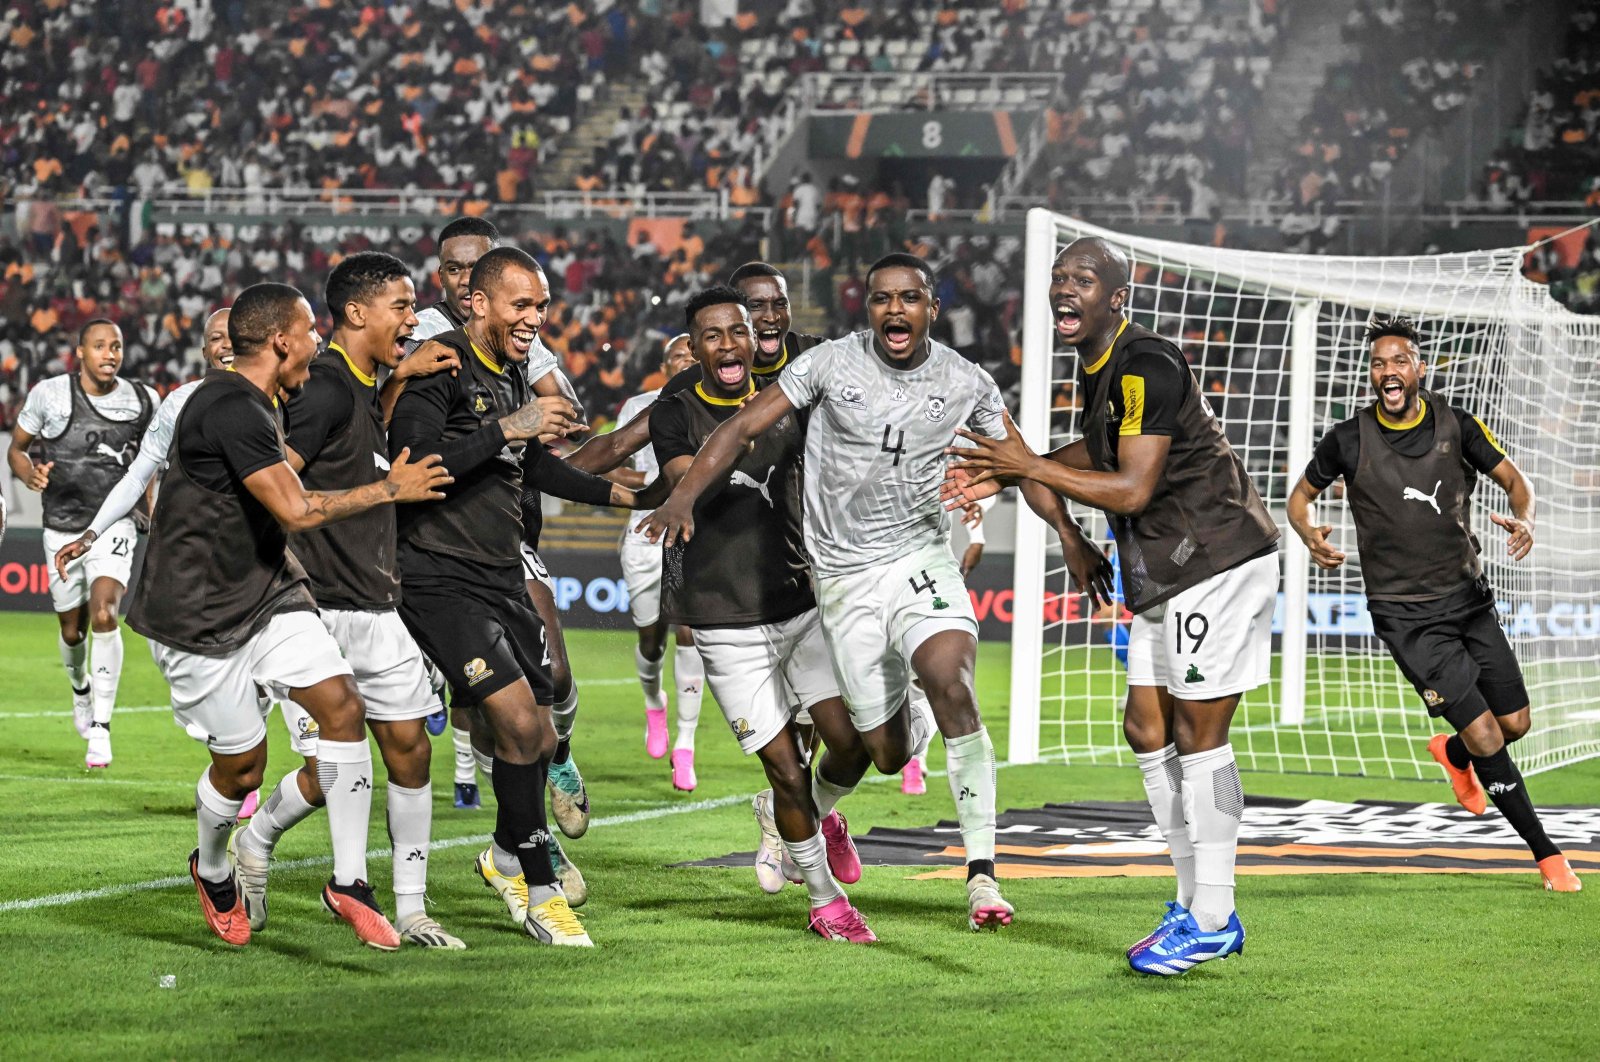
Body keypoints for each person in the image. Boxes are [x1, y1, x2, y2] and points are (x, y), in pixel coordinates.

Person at [644, 254, 1059, 932]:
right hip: (803, 592)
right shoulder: (797, 376)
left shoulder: (954, 378)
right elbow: (730, 431)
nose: (896, 310)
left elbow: (1020, 458)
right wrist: (677, 495)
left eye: (911, 298)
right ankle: (817, 852)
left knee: (936, 693)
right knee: (854, 757)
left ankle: (982, 875)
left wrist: (1067, 531)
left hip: (880, 571)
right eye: (881, 299)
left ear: (931, 303)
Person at [943, 237, 1280, 974]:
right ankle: (1194, 902)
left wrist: (1021, 466)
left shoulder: (1147, 364)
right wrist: (1045, 514)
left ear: (1117, 297)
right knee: (1144, 727)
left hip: (1218, 561)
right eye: (1061, 277)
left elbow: (1130, 489)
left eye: (1085, 278)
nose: (1067, 287)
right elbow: (1071, 461)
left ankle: (1216, 914)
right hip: (1165, 573)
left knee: (1199, 736)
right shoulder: (1100, 373)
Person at [125, 281, 451, 949]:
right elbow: (296, 509)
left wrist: (393, 378)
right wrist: (391, 487)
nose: (317, 344)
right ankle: (212, 866)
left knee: (341, 708)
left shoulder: (269, 399)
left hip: (269, 592)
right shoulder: (228, 406)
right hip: (196, 616)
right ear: (281, 340)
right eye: (309, 333)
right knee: (242, 767)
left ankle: (350, 883)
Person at [1287, 315, 1580, 893]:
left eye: (1398, 361)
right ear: (1371, 375)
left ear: (1420, 368)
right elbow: (1300, 498)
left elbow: (1519, 484)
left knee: (1515, 722)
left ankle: (1451, 752)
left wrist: (1525, 519)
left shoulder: (1457, 425)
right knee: (1489, 737)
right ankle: (1548, 856)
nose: (1387, 372)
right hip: (1406, 616)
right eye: (1378, 363)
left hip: (1468, 599)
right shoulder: (1348, 439)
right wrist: (1306, 532)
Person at [229, 253, 468, 949]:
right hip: (319, 609)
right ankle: (262, 843)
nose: (414, 318)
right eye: (401, 304)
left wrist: (396, 378)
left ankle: (414, 907)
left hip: (375, 602)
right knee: (330, 770)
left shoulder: (360, 385)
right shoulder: (326, 390)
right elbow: (275, 487)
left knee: (410, 750)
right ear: (356, 313)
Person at [648, 286, 874, 941]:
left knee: (853, 746)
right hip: (727, 623)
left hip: (799, 603)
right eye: (712, 335)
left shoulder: (791, 398)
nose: (727, 344)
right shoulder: (674, 409)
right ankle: (826, 903)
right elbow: (695, 478)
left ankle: (799, 815)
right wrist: (750, 432)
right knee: (785, 767)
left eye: (737, 332)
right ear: (693, 348)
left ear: (754, 338)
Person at [387, 246, 597, 946]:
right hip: (438, 575)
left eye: (541, 306)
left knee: (536, 736)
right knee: (512, 722)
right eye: (522, 305)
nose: (535, 319)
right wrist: (509, 426)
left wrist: (628, 495)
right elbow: (412, 468)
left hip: (500, 573)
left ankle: (505, 857)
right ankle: (541, 894)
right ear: (477, 302)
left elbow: (529, 461)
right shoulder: (439, 366)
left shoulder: (506, 374)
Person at [9, 319, 159, 768]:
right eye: (100, 346)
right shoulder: (49, 395)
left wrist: (148, 511)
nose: (110, 353)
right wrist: (27, 473)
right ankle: (80, 690)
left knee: (104, 613)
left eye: (116, 345)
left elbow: (152, 461)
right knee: (71, 630)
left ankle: (101, 726)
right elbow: (17, 448)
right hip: (61, 526)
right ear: (80, 352)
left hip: (114, 525)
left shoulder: (142, 400)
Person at [616, 333, 705, 788]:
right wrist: (658, 481)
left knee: (688, 630)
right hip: (645, 533)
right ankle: (655, 702)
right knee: (652, 639)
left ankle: (685, 745)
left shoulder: (717, 404)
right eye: (677, 355)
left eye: (693, 354)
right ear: (663, 365)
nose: (686, 360)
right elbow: (614, 462)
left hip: (695, 533)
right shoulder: (638, 406)